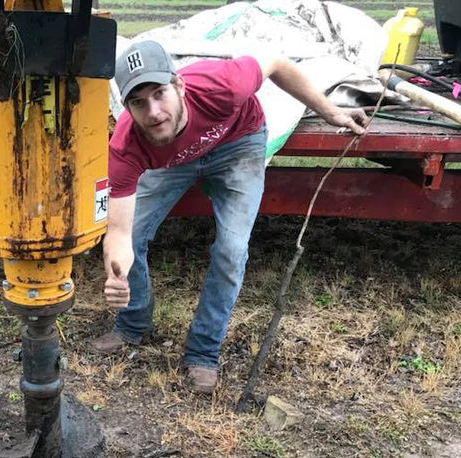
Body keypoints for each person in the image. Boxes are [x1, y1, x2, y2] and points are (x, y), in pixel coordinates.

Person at [93, 40, 367, 392]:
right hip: (172, 159)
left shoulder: (222, 85)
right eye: (138, 102)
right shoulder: (127, 145)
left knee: (231, 249)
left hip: (237, 144)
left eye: (160, 93)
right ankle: (133, 325)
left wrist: (330, 112)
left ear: (179, 85)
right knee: (133, 237)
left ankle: (203, 352)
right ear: (127, 106)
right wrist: (117, 275)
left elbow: (277, 63)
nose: (154, 111)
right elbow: (118, 231)